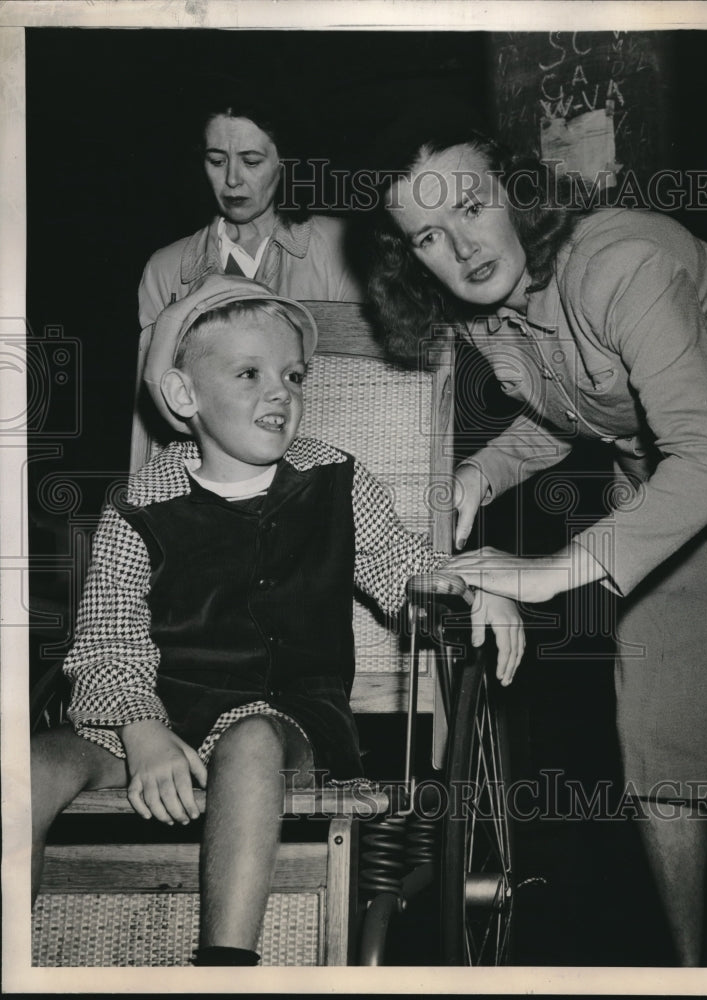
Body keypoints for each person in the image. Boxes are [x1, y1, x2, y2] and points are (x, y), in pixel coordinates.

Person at [31, 274, 524, 967]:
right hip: (152, 719)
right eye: (249, 372)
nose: (281, 392)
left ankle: (225, 969)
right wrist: (139, 728)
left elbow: (400, 567)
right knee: (30, 764)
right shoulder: (142, 502)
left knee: (251, 741)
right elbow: (109, 635)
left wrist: (472, 586)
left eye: (293, 374)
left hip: (287, 722)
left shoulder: (334, 478)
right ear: (183, 396)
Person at [368, 124, 707, 967]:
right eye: (428, 237)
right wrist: (478, 478)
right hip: (657, 517)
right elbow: (569, 413)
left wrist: (549, 573)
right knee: (659, 755)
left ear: (518, 193)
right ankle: (695, 972)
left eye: (471, 206)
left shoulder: (623, 262)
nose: (460, 248)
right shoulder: (486, 308)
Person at [138, 96, 362, 342]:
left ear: (284, 162)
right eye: (217, 161)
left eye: (251, 162)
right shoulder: (164, 269)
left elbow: (358, 370)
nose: (232, 179)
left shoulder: (341, 246)